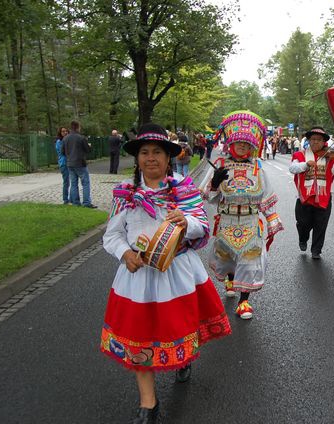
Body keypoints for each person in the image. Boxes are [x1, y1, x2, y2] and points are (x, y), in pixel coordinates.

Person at [101, 123, 231, 423]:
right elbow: (112, 236)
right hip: (137, 278)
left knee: (178, 330)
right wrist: (126, 253)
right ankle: (148, 403)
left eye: (157, 152)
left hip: (177, 274)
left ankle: (183, 359)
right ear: (137, 159)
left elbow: (201, 225)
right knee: (138, 337)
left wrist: (185, 221)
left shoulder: (183, 190)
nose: (150, 158)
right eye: (144, 152)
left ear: (168, 157)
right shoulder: (125, 194)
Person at [202, 111, 283, 320]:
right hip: (227, 219)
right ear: (231, 144)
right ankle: (230, 278)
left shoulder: (258, 167)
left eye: (247, 145)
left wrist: (272, 218)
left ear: (252, 147)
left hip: (250, 220)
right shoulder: (220, 165)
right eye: (239, 144)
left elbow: (266, 194)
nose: (243, 147)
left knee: (249, 260)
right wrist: (214, 183)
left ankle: (244, 300)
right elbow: (209, 197)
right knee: (228, 257)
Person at [289, 126, 334, 259]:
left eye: (319, 140)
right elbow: (292, 168)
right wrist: (305, 165)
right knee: (303, 224)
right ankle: (303, 239)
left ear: (324, 142)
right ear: (308, 140)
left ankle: (316, 250)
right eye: (313, 139)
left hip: (324, 197)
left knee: (320, 226)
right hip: (304, 198)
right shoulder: (300, 155)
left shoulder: (330, 157)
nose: (315, 142)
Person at [62, 120, 97, 208]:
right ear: (78, 127)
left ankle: (76, 202)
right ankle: (86, 203)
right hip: (80, 163)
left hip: (70, 163)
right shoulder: (81, 138)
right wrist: (89, 146)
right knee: (85, 183)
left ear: (71, 127)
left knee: (73, 184)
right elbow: (88, 150)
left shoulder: (65, 138)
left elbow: (62, 151)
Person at [55, 127, 70, 204]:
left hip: (70, 163)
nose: (65, 132)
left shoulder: (68, 140)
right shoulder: (59, 142)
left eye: (66, 131)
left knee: (71, 181)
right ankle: (65, 199)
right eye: (63, 131)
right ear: (60, 133)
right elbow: (62, 152)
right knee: (66, 182)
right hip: (64, 163)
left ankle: (70, 197)